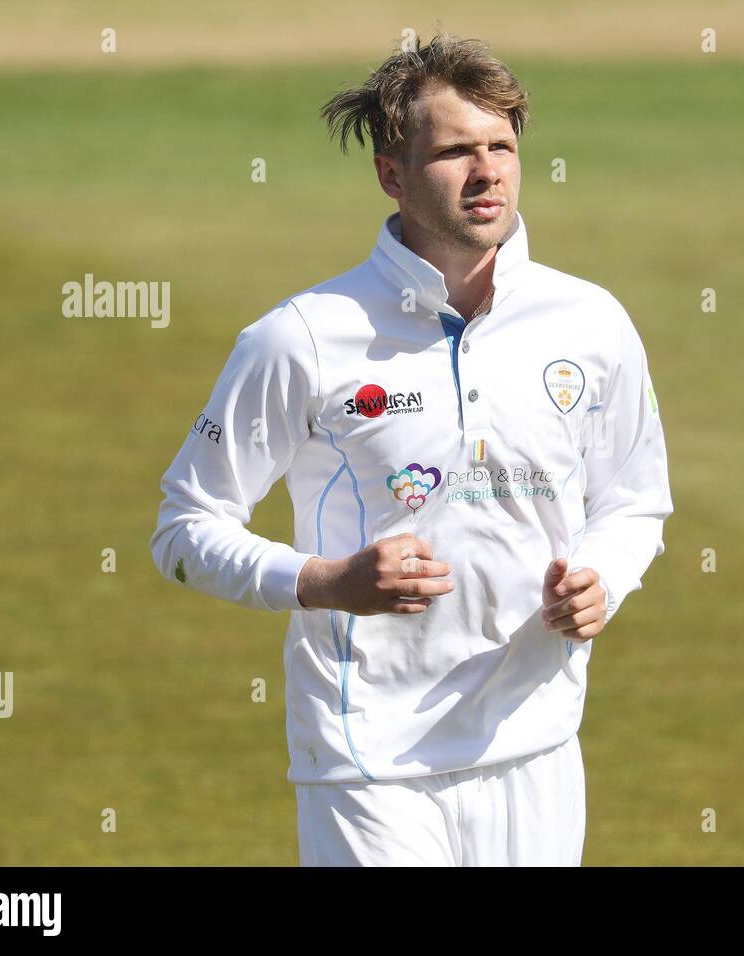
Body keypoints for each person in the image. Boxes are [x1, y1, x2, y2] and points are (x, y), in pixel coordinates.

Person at [149, 31, 673, 866]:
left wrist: (603, 579)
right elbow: (183, 530)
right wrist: (325, 582)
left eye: (501, 146)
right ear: (392, 174)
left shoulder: (591, 323)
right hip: (367, 758)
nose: (488, 171)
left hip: (536, 744)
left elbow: (635, 499)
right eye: (456, 151)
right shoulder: (302, 339)